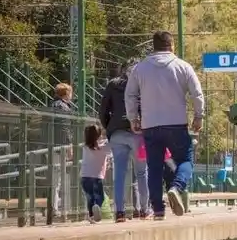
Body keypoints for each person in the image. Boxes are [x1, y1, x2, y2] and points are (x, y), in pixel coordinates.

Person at [125, 31, 204, 220]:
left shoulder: (140, 68)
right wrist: (199, 116)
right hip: (176, 124)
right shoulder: (183, 66)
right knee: (186, 160)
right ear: (172, 45)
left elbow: (130, 95)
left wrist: (133, 118)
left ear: (154, 46)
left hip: (150, 125)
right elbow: (197, 93)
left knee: (154, 167)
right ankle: (176, 187)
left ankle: (158, 210)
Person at [100, 59, 150, 221]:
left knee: (119, 174)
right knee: (142, 173)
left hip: (117, 133)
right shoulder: (143, 84)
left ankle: (120, 212)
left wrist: (110, 127)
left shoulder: (112, 85)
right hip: (138, 134)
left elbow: (103, 110)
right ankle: (144, 209)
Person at [50, 83, 75, 220]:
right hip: (62, 147)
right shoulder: (64, 107)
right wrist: (69, 146)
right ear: (66, 94)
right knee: (63, 178)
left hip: (51, 146)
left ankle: (54, 207)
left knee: (55, 179)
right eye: (70, 93)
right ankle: (64, 209)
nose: (72, 95)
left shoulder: (52, 105)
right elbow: (65, 129)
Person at [80, 124, 112, 223]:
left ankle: (92, 214)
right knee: (100, 197)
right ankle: (96, 207)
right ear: (99, 136)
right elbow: (110, 147)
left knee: (90, 197)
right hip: (97, 177)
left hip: (85, 177)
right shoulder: (103, 148)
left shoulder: (85, 147)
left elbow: (94, 145)